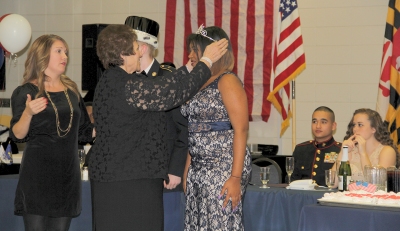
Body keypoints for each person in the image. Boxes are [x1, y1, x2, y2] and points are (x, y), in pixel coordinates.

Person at [89, 24, 228, 231]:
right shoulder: (126, 85)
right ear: (123, 53)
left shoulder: (116, 81)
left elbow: (165, 85)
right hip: (128, 184)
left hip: (121, 179)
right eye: (136, 47)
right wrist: (206, 61)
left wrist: (190, 68)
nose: (139, 52)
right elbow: (173, 94)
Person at [9, 34, 94, 231]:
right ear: (42, 55)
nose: (65, 56)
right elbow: (18, 135)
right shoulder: (26, 91)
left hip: (67, 177)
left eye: (65, 52)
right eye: (59, 51)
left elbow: (85, 132)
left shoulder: (71, 90)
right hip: (37, 176)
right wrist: (28, 113)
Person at [181, 25, 251, 231]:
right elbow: (195, 130)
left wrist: (235, 178)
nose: (190, 55)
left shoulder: (227, 80)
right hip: (198, 168)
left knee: (221, 225)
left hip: (224, 168)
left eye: (195, 49)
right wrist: (187, 171)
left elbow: (241, 130)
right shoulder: (197, 82)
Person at [125, 16, 187, 230]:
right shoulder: (123, 80)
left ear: (141, 48)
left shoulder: (167, 80)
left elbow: (184, 128)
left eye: (127, 46)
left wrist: (175, 169)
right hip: (130, 177)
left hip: (164, 180)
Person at [332, 108, 398, 182]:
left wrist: (363, 154)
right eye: (354, 125)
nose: (355, 129)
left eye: (360, 125)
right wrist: (343, 152)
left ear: (373, 129)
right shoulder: (351, 150)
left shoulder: (387, 151)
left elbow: (376, 183)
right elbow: (333, 182)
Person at [291, 106, 342, 186]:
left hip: (328, 196)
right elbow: (291, 180)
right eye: (314, 121)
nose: (318, 126)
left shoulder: (340, 150)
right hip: (302, 196)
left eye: (323, 122)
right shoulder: (301, 149)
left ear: (333, 126)